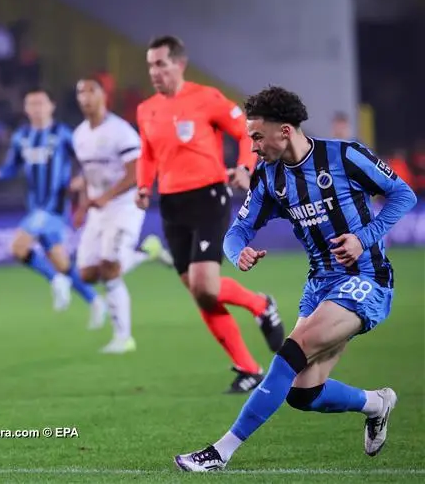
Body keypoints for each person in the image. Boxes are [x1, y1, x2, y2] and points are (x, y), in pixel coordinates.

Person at [174, 86, 417, 471]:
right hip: (320, 284)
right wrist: (239, 254)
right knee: (303, 393)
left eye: (256, 136)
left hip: (366, 279)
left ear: (284, 131)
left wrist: (364, 237)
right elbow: (236, 233)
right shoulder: (269, 177)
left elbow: (403, 195)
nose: (252, 145)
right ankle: (376, 402)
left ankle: (221, 452)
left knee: (291, 351)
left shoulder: (345, 155)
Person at [136, 35, 285, 393]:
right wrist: (144, 186)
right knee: (200, 292)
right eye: (150, 65)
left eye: (161, 64)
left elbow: (246, 132)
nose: (154, 72)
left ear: (179, 64)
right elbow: (148, 153)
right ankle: (248, 366)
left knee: (205, 285)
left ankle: (260, 304)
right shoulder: (147, 109)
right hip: (171, 205)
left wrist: (245, 167)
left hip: (208, 198)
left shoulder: (207, 98)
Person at [0, 88, 108, 327]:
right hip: (34, 207)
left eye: (40, 103)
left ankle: (55, 281)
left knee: (17, 247)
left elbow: (86, 159)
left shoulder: (62, 134)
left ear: (51, 106)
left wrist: (82, 179)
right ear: (25, 109)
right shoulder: (21, 137)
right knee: (62, 263)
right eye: (31, 104)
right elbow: (13, 166)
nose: (36, 109)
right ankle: (95, 300)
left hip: (54, 207)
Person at [72, 78, 173, 353]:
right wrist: (82, 206)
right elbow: (86, 175)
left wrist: (107, 196)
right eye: (80, 93)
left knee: (110, 270)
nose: (85, 98)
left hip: (124, 206)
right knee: (87, 274)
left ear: (103, 97)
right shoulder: (79, 134)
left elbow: (136, 171)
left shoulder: (120, 132)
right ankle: (147, 253)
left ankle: (123, 338)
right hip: (98, 209)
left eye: (91, 91)